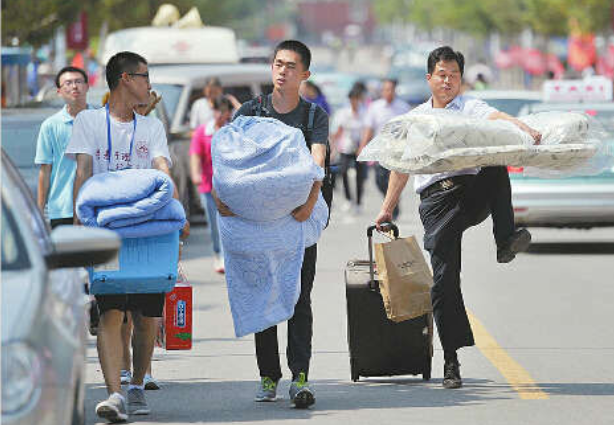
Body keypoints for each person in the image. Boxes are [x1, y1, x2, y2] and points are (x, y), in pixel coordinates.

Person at [374, 46, 540, 390]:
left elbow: (497, 119)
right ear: (429, 79)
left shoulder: (472, 108)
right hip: (436, 201)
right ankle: (451, 360)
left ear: (461, 79)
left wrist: (522, 126)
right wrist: (387, 208)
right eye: (441, 74)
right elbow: (401, 167)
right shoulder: (416, 118)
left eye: (453, 74)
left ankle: (505, 240)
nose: (447, 80)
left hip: (471, 193)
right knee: (445, 281)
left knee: (496, 163)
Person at [66, 51, 186, 422]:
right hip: (106, 232)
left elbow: (162, 168)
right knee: (110, 311)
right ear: (124, 79)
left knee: (147, 315)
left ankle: (136, 384)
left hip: (148, 232)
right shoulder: (88, 121)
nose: (149, 85)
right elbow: (83, 172)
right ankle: (114, 394)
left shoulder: (150, 127)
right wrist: (78, 225)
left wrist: (174, 215)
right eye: (144, 76)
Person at [216, 39, 328, 409]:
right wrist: (223, 198)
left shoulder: (313, 117)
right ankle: (268, 374)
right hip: (257, 226)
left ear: (305, 74)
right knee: (263, 292)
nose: (282, 71)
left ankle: (300, 376)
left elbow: (318, 162)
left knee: (299, 298)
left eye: (291, 66)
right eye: (278, 64)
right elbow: (229, 158)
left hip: (296, 223)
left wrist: (308, 205)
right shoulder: (251, 111)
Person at [35, 66, 92, 228]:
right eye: (68, 83)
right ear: (59, 91)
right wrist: (39, 212)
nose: (74, 86)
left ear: (87, 86)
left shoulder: (102, 120)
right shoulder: (50, 126)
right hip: (62, 210)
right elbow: (45, 171)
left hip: (97, 206)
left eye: (79, 82)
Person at [190, 96, 234, 274]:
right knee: (213, 223)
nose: (220, 115)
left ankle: (226, 256)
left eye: (224, 111)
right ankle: (218, 252)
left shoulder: (233, 131)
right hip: (209, 185)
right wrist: (195, 173)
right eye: (218, 111)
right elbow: (195, 154)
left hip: (229, 186)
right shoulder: (203, 131)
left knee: (226, 221)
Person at [358, 78, 410, 219]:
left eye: (390, 89)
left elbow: (408, 129)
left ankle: (392, 203)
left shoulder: (403, 107)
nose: (388, 92)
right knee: (380, 181)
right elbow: (369, 128)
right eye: (385, 89)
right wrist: (363, 146)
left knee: (395, 178)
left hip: (397, 150)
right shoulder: (375, 107)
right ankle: (393, 200)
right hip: (381, 150)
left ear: (394, 90)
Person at [331, 85, 367, 214]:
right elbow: (338, 131)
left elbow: (366, 131)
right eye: (352, 99)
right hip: (346, 146)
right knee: (343, 171)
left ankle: (358, 202)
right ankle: (348, 198)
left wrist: (363, 146)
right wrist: (333, 145)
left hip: (360, 147)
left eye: (357, 99)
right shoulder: (343, 113)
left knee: (360, 176)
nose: (354, 102)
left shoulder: (365, 112)